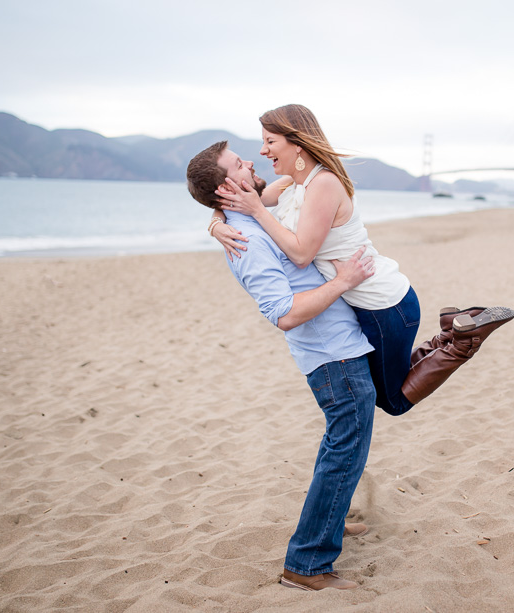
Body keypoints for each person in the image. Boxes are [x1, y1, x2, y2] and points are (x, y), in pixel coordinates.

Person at [208, 104, 514, 414]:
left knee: (392, 401)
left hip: (383, 304)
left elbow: (300, 254)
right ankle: (452, 330)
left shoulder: (323, 184)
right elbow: (239, 199)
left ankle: (462, 341)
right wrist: (216, 224)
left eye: (270, 141)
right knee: (389, 383)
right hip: (372, 302)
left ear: (296, 143)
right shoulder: (292, 183)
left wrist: (257, 212)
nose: (263, 150)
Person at [187, 140, 377, 591]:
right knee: (345, 449)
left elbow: (295, 178)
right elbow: (283, 313)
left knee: (340, 445)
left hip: (336, 348)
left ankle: (328, 521)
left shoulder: (247, 219)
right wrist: (344, 282)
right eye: (239, 164)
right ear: (226, 187)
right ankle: (306, 565)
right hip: (331, 356)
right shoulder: (247, 239)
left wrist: (213, 221)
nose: (250, 161)